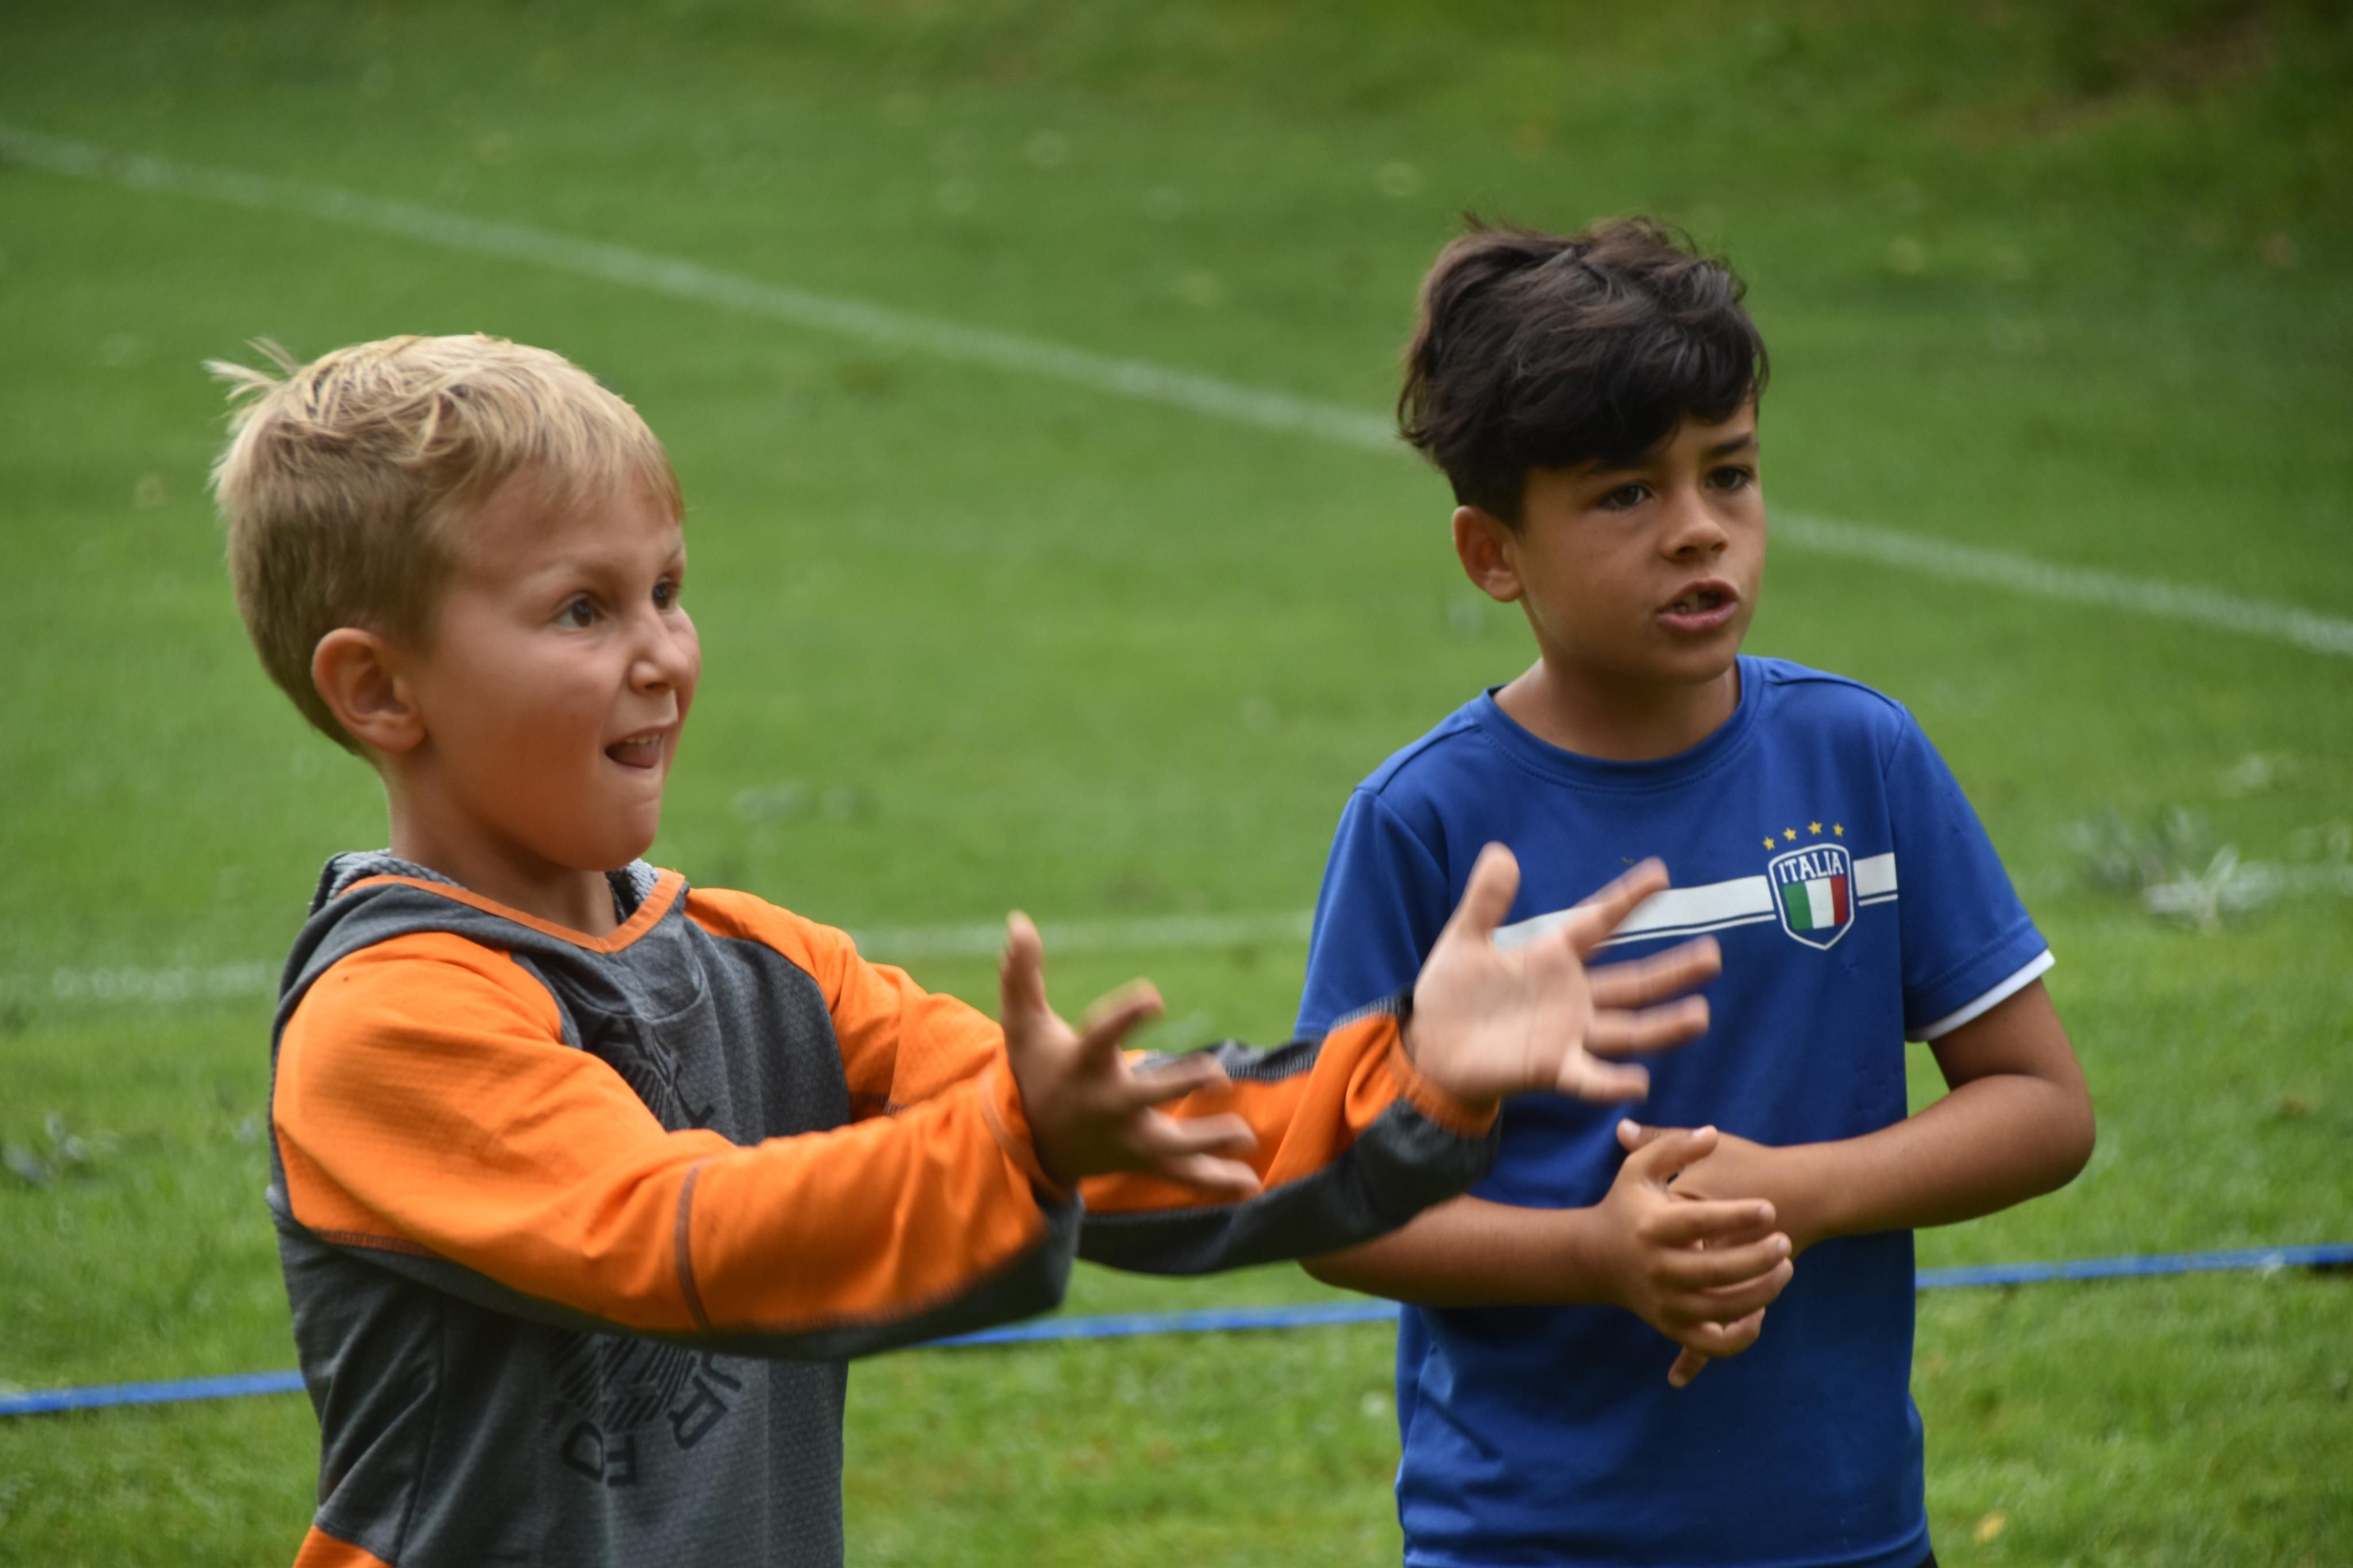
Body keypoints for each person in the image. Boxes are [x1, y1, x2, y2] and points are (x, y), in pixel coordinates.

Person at [207, 333, 1725, 1568]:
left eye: (667, 590)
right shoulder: (389, 1021)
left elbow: (1130, 1142)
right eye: (580, 610)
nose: (661, 652)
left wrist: (1410, 1075)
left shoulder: (763, 964)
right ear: (379, 691)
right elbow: (680, 1234)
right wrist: (1015, 1144)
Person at [1296, 219, 2096, 1568]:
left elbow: (2041, 1107)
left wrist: (1803, 1190)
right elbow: (1335, 1208)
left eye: (1727, 473)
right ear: (1493, 554)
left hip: (1841, 1531)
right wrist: (1595, 1256)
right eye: (1623, 495)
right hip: (1528, 1542)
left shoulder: (1859, 758)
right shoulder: (1425, 822)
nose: (1696, 531)